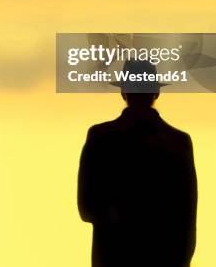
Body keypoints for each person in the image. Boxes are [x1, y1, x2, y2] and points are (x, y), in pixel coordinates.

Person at [77, 59, 198, 267]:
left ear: (123, 91)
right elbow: (187, 217)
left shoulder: (100, 137)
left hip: (113, 257)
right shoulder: (178, 142)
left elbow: (87, 208)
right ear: (157, 92)